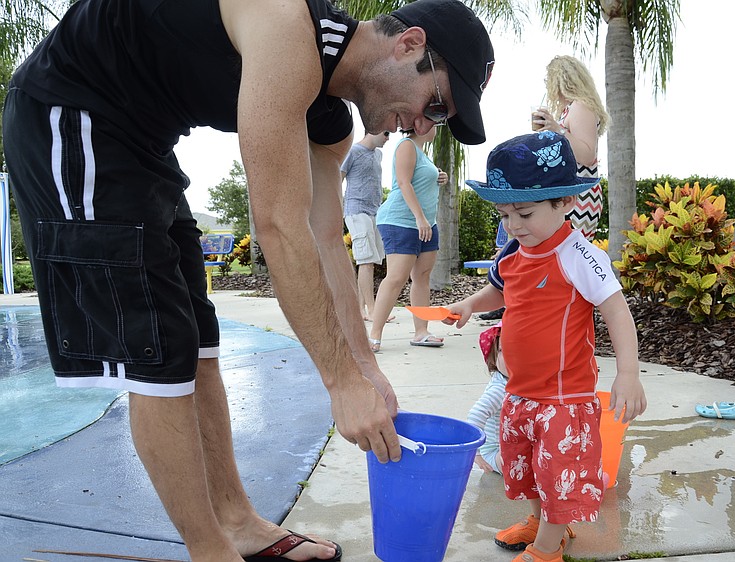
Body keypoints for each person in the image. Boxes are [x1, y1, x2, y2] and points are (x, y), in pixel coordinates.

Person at [1, 0, 495, 559]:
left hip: (142, 143)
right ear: (408, 43)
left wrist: (364, 369)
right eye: (435, 103)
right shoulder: (288, 25)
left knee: (196, 341)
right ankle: (209, 550)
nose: (424, 126)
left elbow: (325, 240)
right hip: (71, 110)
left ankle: (236, 522)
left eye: (440, 120)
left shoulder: (329, 122)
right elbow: (278, 226)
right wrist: (339, 384)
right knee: (155, 352)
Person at [444, 131, 646, 562]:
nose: (513, 225)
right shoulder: (512, 255)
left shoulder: (581, 255)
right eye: (504, 214)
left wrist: (628, 373)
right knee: (530, 466)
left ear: (565, 203)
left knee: (559, 472)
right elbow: (499, 294)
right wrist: (467, 305)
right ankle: (541, 523)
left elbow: (617, 310)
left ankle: (547, 549)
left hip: (563, 396)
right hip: (519, 390)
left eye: (524, 213)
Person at [368, 127, 448, 352]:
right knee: (395, 278)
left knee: (422, 276)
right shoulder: (406, 145)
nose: (437, 128)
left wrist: (438, 176)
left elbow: (418, 179)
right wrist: (420, 218)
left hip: (425, 223)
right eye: (434, 123)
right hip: (401, 221)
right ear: (421, 124)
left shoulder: (422, 153)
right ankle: (374, 335)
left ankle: (421, 332)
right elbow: (404, 183)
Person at [532, 55, 609, 240]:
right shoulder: (569, 109)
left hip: (579, 195)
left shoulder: (581, 106)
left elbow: (587, 154)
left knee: (570, 254)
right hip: (571, 194)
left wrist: (557, 130)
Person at [341, 131, 391, 322]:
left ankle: (362, 310)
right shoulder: (352, 151)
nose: (388, 138)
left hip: (374, 212)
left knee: (372, 260)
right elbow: (338, 178)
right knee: (366, 260)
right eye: (386, 133)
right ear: (373, 129)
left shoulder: (378, 154)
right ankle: (373, 311)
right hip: (356, 210)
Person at [467, 321, 507, 474]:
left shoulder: (524, 381)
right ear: (493, 358)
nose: (512, 356)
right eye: (503, 351)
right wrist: (475, 453)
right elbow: (475, 416)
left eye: (520, 349)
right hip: (496, 452)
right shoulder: (500, 389)